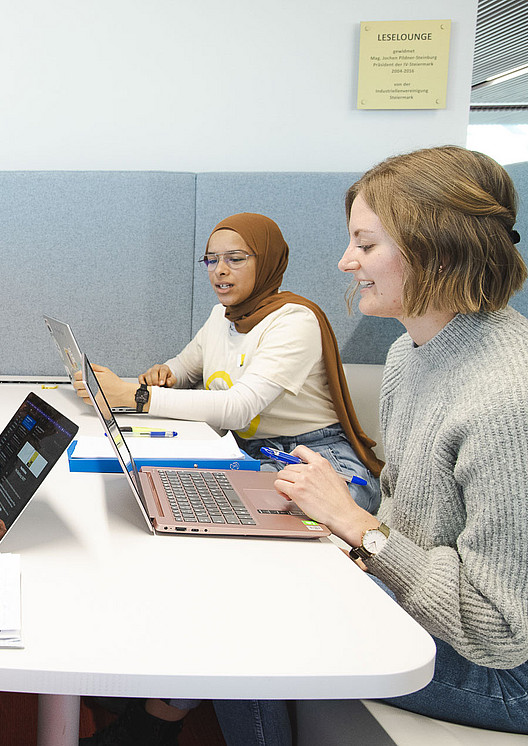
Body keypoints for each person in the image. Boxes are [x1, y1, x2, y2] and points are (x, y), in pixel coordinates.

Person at [87, 147, 528, 745]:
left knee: (253, 615)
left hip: (503, 676)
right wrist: (357, 539)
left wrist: (356, 526)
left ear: (437, 247)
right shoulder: (409, 356)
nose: (346, 262)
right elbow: (410, 522)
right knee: (252, 569)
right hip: (427, 608)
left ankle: (154, 721)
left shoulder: (505, 396)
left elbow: (497, 630)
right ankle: (156, 720)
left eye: (366, 245)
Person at [75, 212, 382, 512]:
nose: (219, 270)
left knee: (212, 502)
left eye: (235, 259)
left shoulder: (294, 320)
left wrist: (134, 396)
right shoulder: (221, 317)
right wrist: (165, 373)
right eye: (212, 260)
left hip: (315, 457)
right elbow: (183, 368)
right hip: (247, 452)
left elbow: (238, 408)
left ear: (266, 263)